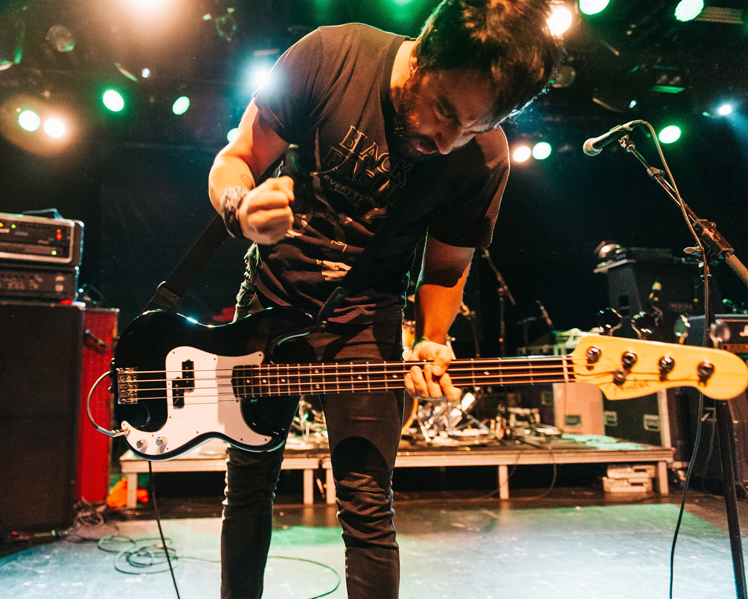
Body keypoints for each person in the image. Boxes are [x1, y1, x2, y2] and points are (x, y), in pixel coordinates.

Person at [207, 1, 561, 596]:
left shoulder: (483, 158)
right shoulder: (330, 55)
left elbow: (445, 268)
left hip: (367, 318)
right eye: (445, 111)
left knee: (368, 509)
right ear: (425, 50)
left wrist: (432, 340)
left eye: (472, 128)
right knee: (247, 489)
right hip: (270, 303)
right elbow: (236, 159)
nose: (447, 142)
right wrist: (241, 207)